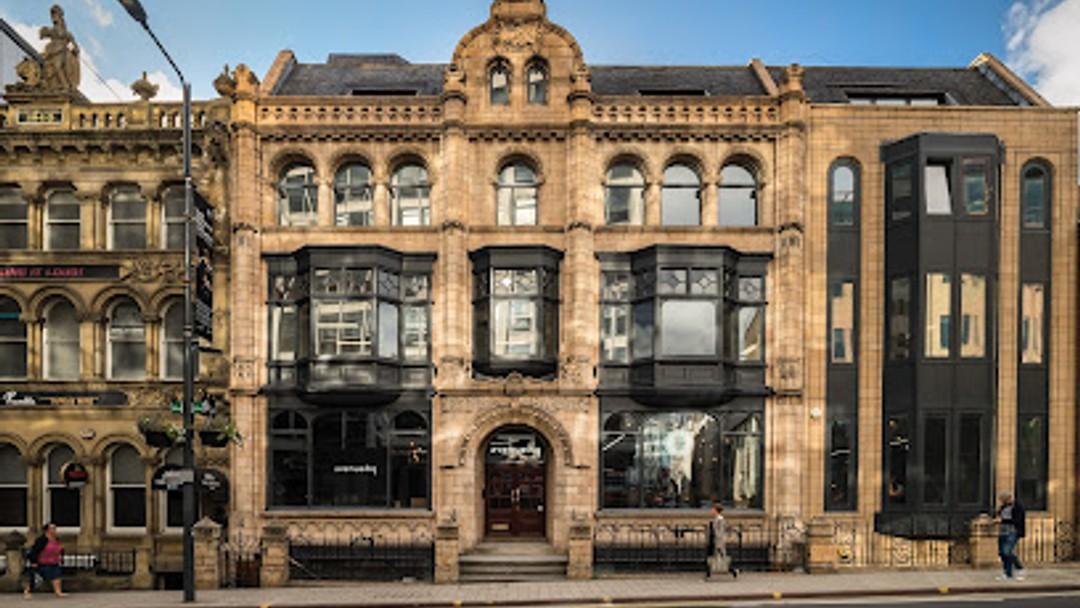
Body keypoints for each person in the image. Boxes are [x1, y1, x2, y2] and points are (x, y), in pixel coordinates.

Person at [23, 522, 67, 599]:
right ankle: (27, 591)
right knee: (37, 579)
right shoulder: (42, 540)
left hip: (54, 561)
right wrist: (34, 562)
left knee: (57, 576)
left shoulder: (56, 539)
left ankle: (58, 592)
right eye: (52, 528)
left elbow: (59, 548)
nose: (54, 530)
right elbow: (35, 551)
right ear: (47, 530)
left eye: (55, 528)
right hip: (43, 562)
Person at [995, 491, 1027, 581]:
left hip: (1013, 531)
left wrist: (1003, 520)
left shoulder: (1018, 507)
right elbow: (999, 515)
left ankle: (1019, 568)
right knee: (1002, 553)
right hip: (1003, 531)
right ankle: (1007, 573)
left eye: (1003, 500)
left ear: (1008, 498)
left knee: (1007, 552)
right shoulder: (1003, 507)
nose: (1002, 502)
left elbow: (1017, 520)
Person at [706, 502, 738, 580]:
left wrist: (718, 542)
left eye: (713, 509)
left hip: (718, 541)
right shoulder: (716, 519)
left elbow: (720, 532)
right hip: (716, 541)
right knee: (715, 556)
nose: (711, 511)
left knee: (720, 557)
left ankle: (733, 571)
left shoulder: (720, 520)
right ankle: (709, 573)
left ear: (716, 510)